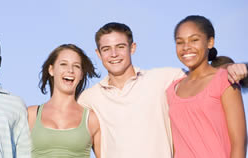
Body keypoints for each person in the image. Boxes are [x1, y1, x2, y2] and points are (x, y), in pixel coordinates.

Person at [77, 22, 248, 158]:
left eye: (120, 46)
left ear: (133, 47)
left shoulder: (162, 79)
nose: (114, 54)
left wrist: (230, 66)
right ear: (98, 54)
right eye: (106, 49)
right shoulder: (89, 99)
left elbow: (203, 74)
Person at [166, 15, 247, 158]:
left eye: (194, 40)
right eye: (180, 42)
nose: (186, 47)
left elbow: (239, 144)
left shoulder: (225, 81)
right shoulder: (172, 90)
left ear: (210, 42)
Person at [27, 44, 101, 158]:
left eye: (76, 66)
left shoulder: (91, 119)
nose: (70, 70)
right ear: (51, 70)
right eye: (63, 64)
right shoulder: (31, 115)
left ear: (81, 74)